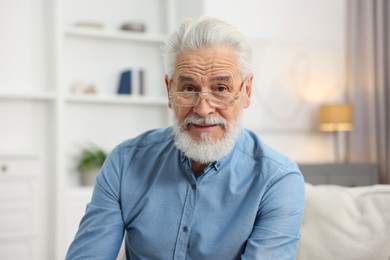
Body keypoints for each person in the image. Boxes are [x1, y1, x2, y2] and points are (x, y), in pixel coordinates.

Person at [66, 16, 305, 260]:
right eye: (189, 89)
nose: (203, 109)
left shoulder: (278, 180)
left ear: (246, 92)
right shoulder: (124, 162)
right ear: (169, 91)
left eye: (221, 89)